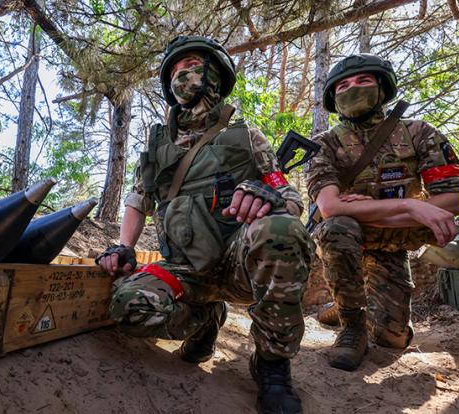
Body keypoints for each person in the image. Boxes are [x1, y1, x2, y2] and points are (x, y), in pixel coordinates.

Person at [96, 36, 313, 414]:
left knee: (282, 231)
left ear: (216, 74)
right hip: (185, 268)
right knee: (128, 306)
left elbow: (291, 200)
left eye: (193, 64)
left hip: (238, 264)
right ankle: (205, 318)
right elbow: (138, 201)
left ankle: (272, 363)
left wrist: (270, 198)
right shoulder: (157, 145)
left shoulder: (246, 136)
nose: (183, 74)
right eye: (176, 70)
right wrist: (125, 246)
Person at [305, 54, 459, 372]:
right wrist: (411, 206)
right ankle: (351, 323)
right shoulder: (324, 145)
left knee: (393, 338)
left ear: (382, 87)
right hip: (349, 239)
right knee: (336, 226)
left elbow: (451, 201)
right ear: (333, 97)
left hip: (394, 244)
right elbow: (330, 208)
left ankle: (340, 307)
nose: (353, 88)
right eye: (343, 85)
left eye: (363, 81)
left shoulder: (419, 133)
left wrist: (364, 209)